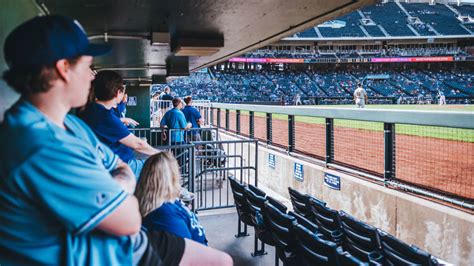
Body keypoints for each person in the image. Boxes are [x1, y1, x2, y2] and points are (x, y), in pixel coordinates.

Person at [0, 15, 231, 266]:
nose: (91, 77)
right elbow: (129, 220)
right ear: (63, 68)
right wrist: (120, 183)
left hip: (119, 245)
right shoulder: (40, 146)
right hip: (104, 255)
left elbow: (118, 166)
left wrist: (117, 181)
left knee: (221, 260)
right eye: (88, 66)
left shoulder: (71, 124)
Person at [78, 70, 158, 177]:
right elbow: (137, 144)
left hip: (101, 164)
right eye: (122, 92)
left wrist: (122, 120)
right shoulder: (105, 116)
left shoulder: (90, 109)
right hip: (119, 166)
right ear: (117, 93)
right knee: (158, 169)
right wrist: (161, 154)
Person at [136, 152, 208, 245]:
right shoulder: (165, 214)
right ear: (171, 177)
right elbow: (186, 249)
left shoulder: (167, 202)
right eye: (177, 170)